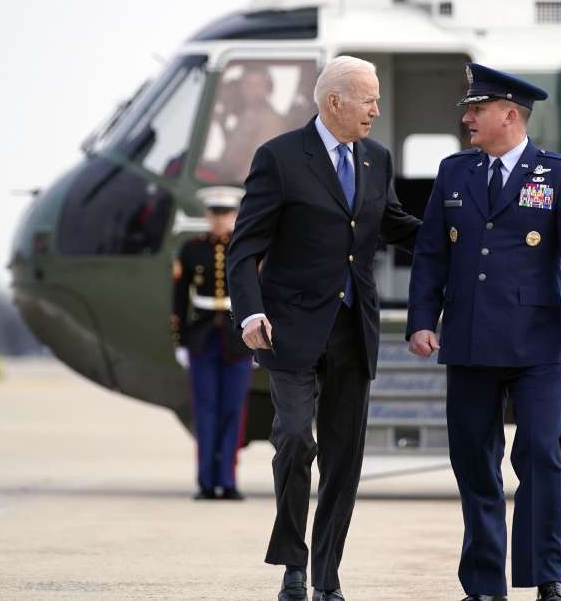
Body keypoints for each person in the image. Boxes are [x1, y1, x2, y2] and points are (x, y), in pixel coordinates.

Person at [226, 56, 420, 601]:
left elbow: (393, 224)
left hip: (353, 328)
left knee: (344, 458)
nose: (377, 110)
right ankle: (292, 562)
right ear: (334, 102)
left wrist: (462, 235)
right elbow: (244, 250)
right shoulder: (281, 159)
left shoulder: (376, 160)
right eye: (369, 100)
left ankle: (326, 578)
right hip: (287, 329)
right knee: (293, 439)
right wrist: (249, 312)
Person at [406, 63, 561, 601]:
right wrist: (422, 320)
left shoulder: (558, 173)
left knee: (539, 454)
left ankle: (546, 578)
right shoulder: (454, 172)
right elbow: (430, 254)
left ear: (509, 114)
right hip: (468, 339)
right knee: (474, 459)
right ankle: (484, 583)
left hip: (537, 342)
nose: (467, 118)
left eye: (477, 109)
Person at [170, 185, 253, 501]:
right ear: (207, 216)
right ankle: (206, 481)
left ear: (235, 216)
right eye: (215, 214)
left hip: (237, 338)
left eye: (226, 214)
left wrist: (258, 338)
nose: (220, 220)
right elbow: (178, 298)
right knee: (205, 410)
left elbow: (260, 292)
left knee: (234, 410)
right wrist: (180, 341)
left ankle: (228, 480)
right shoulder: (191, 249)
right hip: (202, 337)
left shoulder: (246, 248)